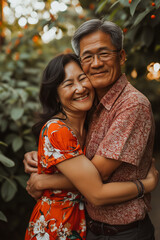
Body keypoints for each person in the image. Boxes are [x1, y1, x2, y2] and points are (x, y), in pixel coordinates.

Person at [24, 19, 158, 240]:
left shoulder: (132, 105)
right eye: (87, 56)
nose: (96, 63)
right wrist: (41, 158)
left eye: (104, 53)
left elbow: (97, 177)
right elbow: (70, 149)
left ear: (122, 56)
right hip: (85, 227)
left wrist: (44, 180)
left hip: (123, 233)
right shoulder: (92, 105)